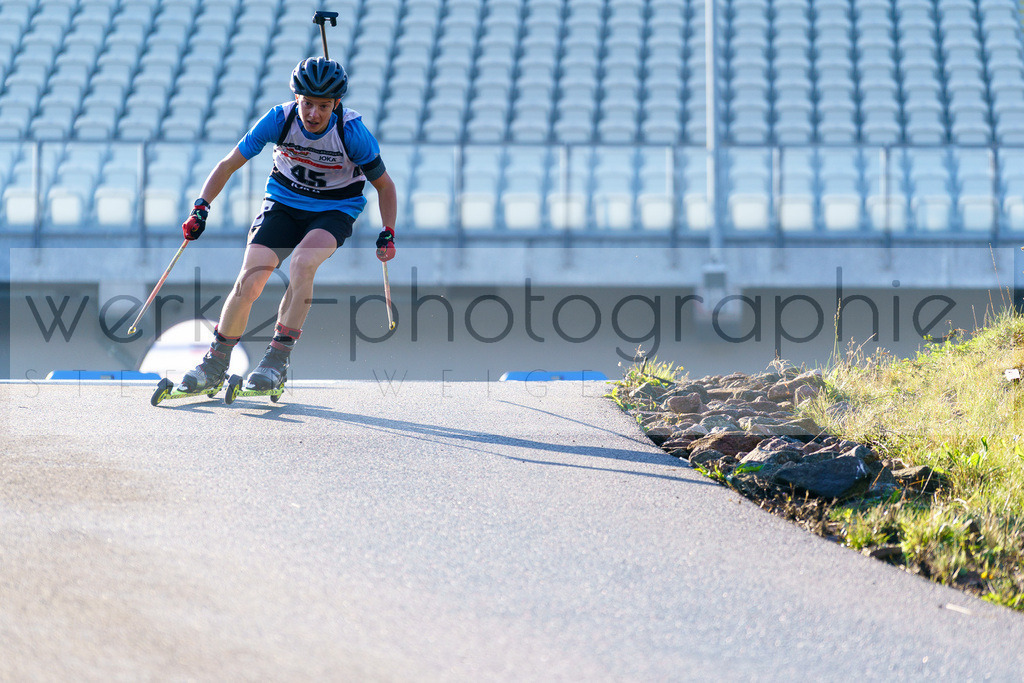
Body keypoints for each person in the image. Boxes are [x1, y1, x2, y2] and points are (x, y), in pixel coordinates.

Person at [176, 56, 397, 393]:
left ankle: (276, 361)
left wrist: (387, 231)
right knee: (250, 279)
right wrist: (201, 208)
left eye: (323, 106)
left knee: (302, 263)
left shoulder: (352, 133)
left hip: (333, 210)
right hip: (282, 203)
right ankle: (215, 363)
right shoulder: (278, 119)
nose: (313, 114)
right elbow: (228, 164)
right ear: (297, 98)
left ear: (337, 103)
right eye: (307, 104)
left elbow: (385, 186)